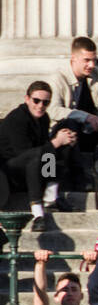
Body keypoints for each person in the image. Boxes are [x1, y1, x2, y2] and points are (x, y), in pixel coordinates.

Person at [49, 37, 98, 182]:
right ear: (74, 58)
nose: (91, 65)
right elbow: (53, 110)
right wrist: (84, 116)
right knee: (69, 125)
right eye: (86, 60)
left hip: (93, 127)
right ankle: (76, 176)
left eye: (94, 60)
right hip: (68, 131)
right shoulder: (58, 78)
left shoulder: (96, 73)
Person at [0, 81, 77, 229]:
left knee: (62, 143)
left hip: (33, 168)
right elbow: (23, 153)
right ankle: (38, 213)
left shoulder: (43, 118)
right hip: (10, 172)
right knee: (40, 154)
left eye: (45, 102)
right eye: (36, 100)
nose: (40, 106)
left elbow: (45, 150)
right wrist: (55, 142)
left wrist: (64, 141)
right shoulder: (17, 118)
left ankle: (51, 197)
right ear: (27, 99)